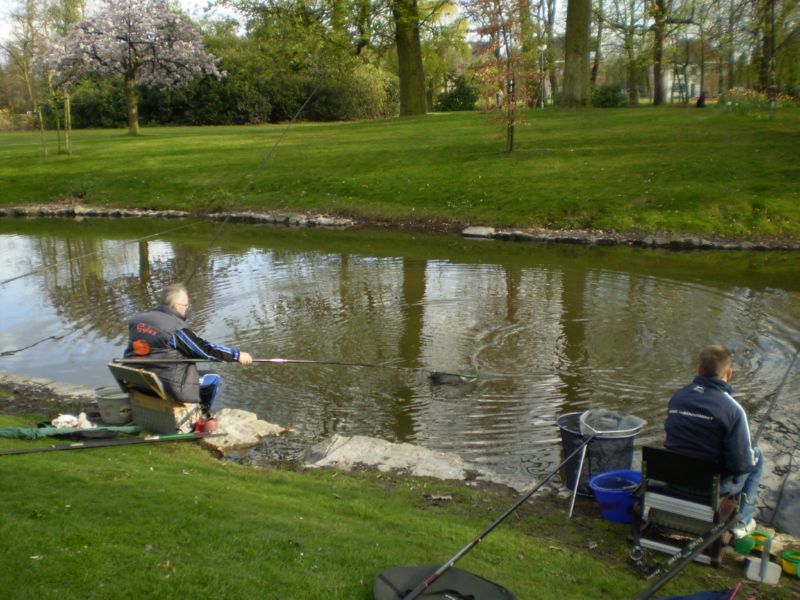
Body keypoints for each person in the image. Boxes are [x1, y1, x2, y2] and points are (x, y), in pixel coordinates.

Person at [664, 345, 763, 538]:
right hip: (710, 489)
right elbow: (741, 465)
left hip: (673, 479)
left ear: (698, 369)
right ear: (729, 374)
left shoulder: (678, 398)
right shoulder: (734, 410)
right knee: (756, 457)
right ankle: (742, 522)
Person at [124, 283, 253, 417]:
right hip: (167, 385)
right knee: (213, 378)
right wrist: (236, 355)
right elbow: (205, 350)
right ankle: (201, 416)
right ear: (175, 306)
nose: (186, 309)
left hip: (136, 381)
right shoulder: (176, 329)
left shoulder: (137, 320)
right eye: (186, 306)